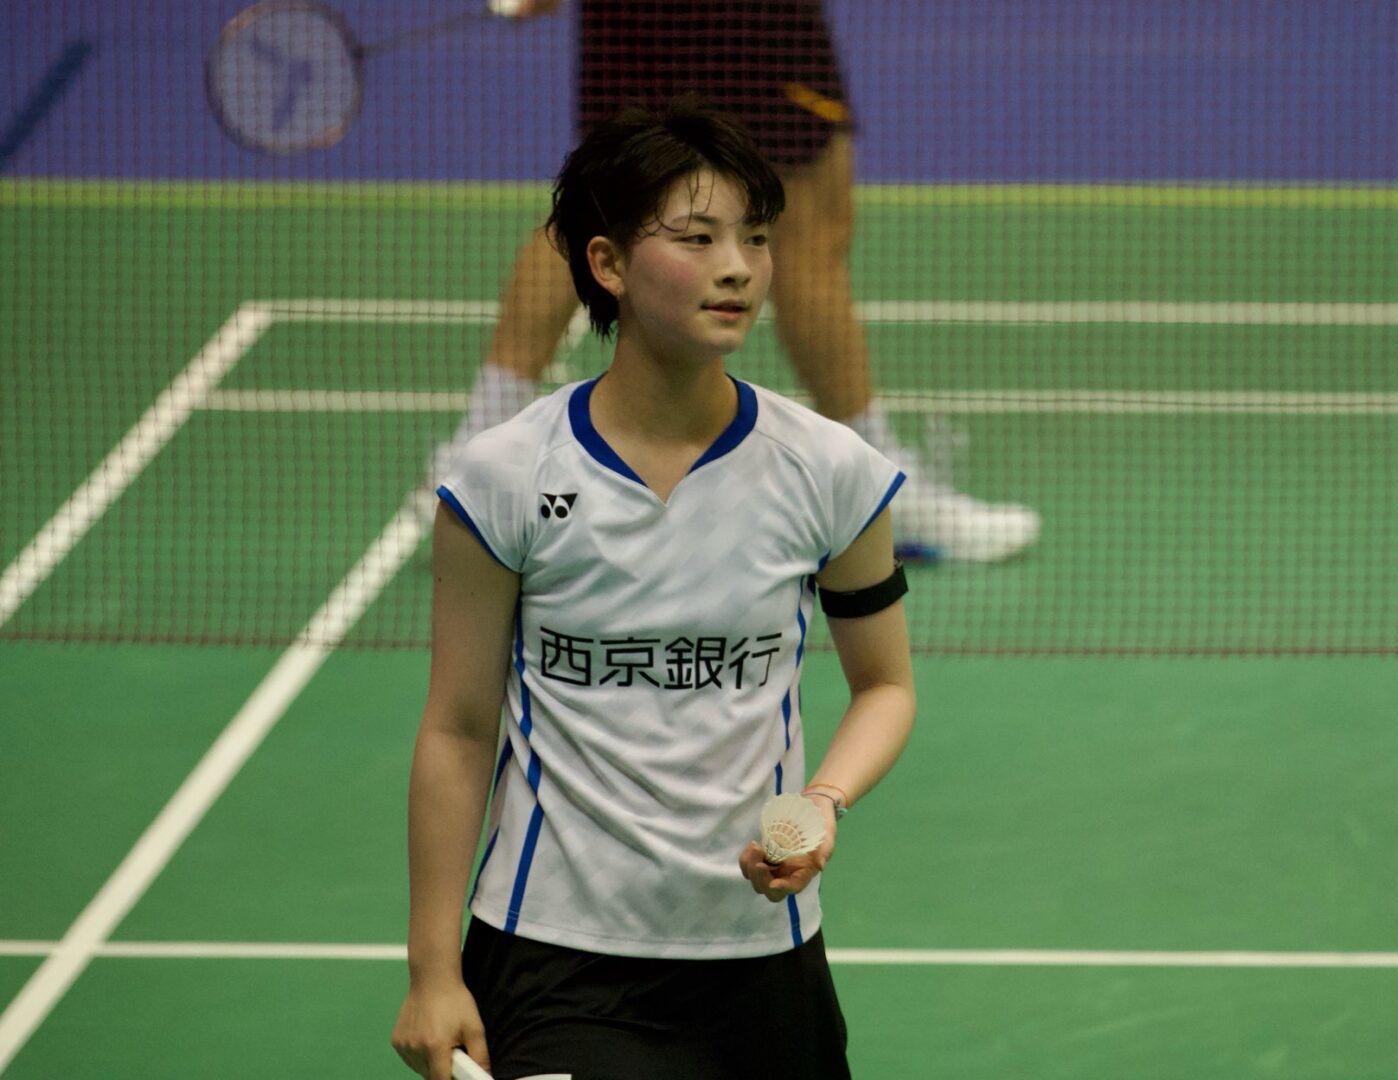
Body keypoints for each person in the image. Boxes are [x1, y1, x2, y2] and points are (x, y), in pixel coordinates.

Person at [392, 102, 917, 1080]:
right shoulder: (503, 478)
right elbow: (458, 730)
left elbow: (885, 686)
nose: (739, 268)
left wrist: (824, 801)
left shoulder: (830, 470)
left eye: (755, 239)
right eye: (698, 238)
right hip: (556, 952)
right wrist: (432, 971)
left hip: (762, 956)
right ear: (608, 264)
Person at [433, 0, 1040, 563]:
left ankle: (479, 458)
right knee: (809, 223)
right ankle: (873, 488)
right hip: (746, 16)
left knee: (602, 205)